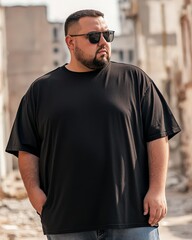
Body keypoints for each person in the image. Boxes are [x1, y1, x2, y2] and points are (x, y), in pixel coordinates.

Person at [6, 9, 181, 240]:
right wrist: (36, 197)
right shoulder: (41, 91)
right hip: (67, 222)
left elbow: (157, 136)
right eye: (93, 37)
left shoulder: (134, 80)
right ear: (70, 42)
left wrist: (157, 191)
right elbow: (27, 149)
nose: (103, 42)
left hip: (132, 216)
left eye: (107, 35)